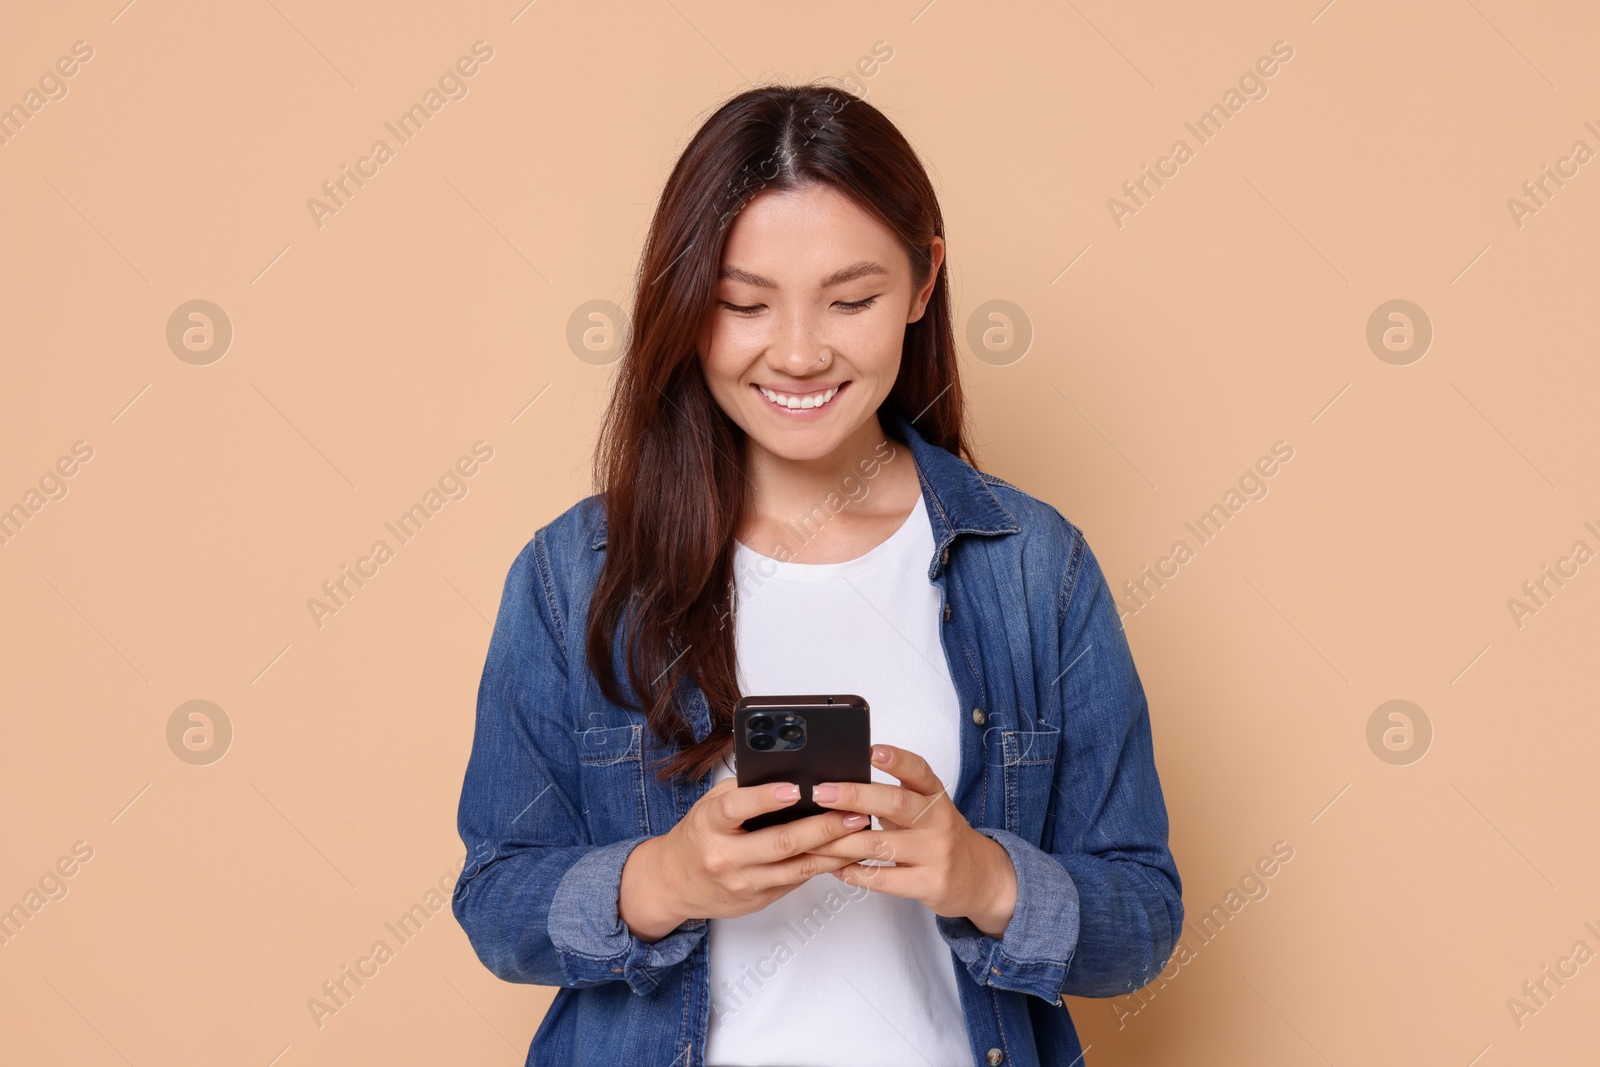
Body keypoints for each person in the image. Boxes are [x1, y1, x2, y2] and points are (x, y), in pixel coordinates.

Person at [452, 82, 1182, 1067]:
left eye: (851, 299)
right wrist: (660, 879)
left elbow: (1142, 920)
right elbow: (495, 897)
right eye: (742, 303)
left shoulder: (1033, 564)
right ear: (682, 299)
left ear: (924, 284)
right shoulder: (575, 574)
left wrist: (983, 875)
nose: (797, 353)